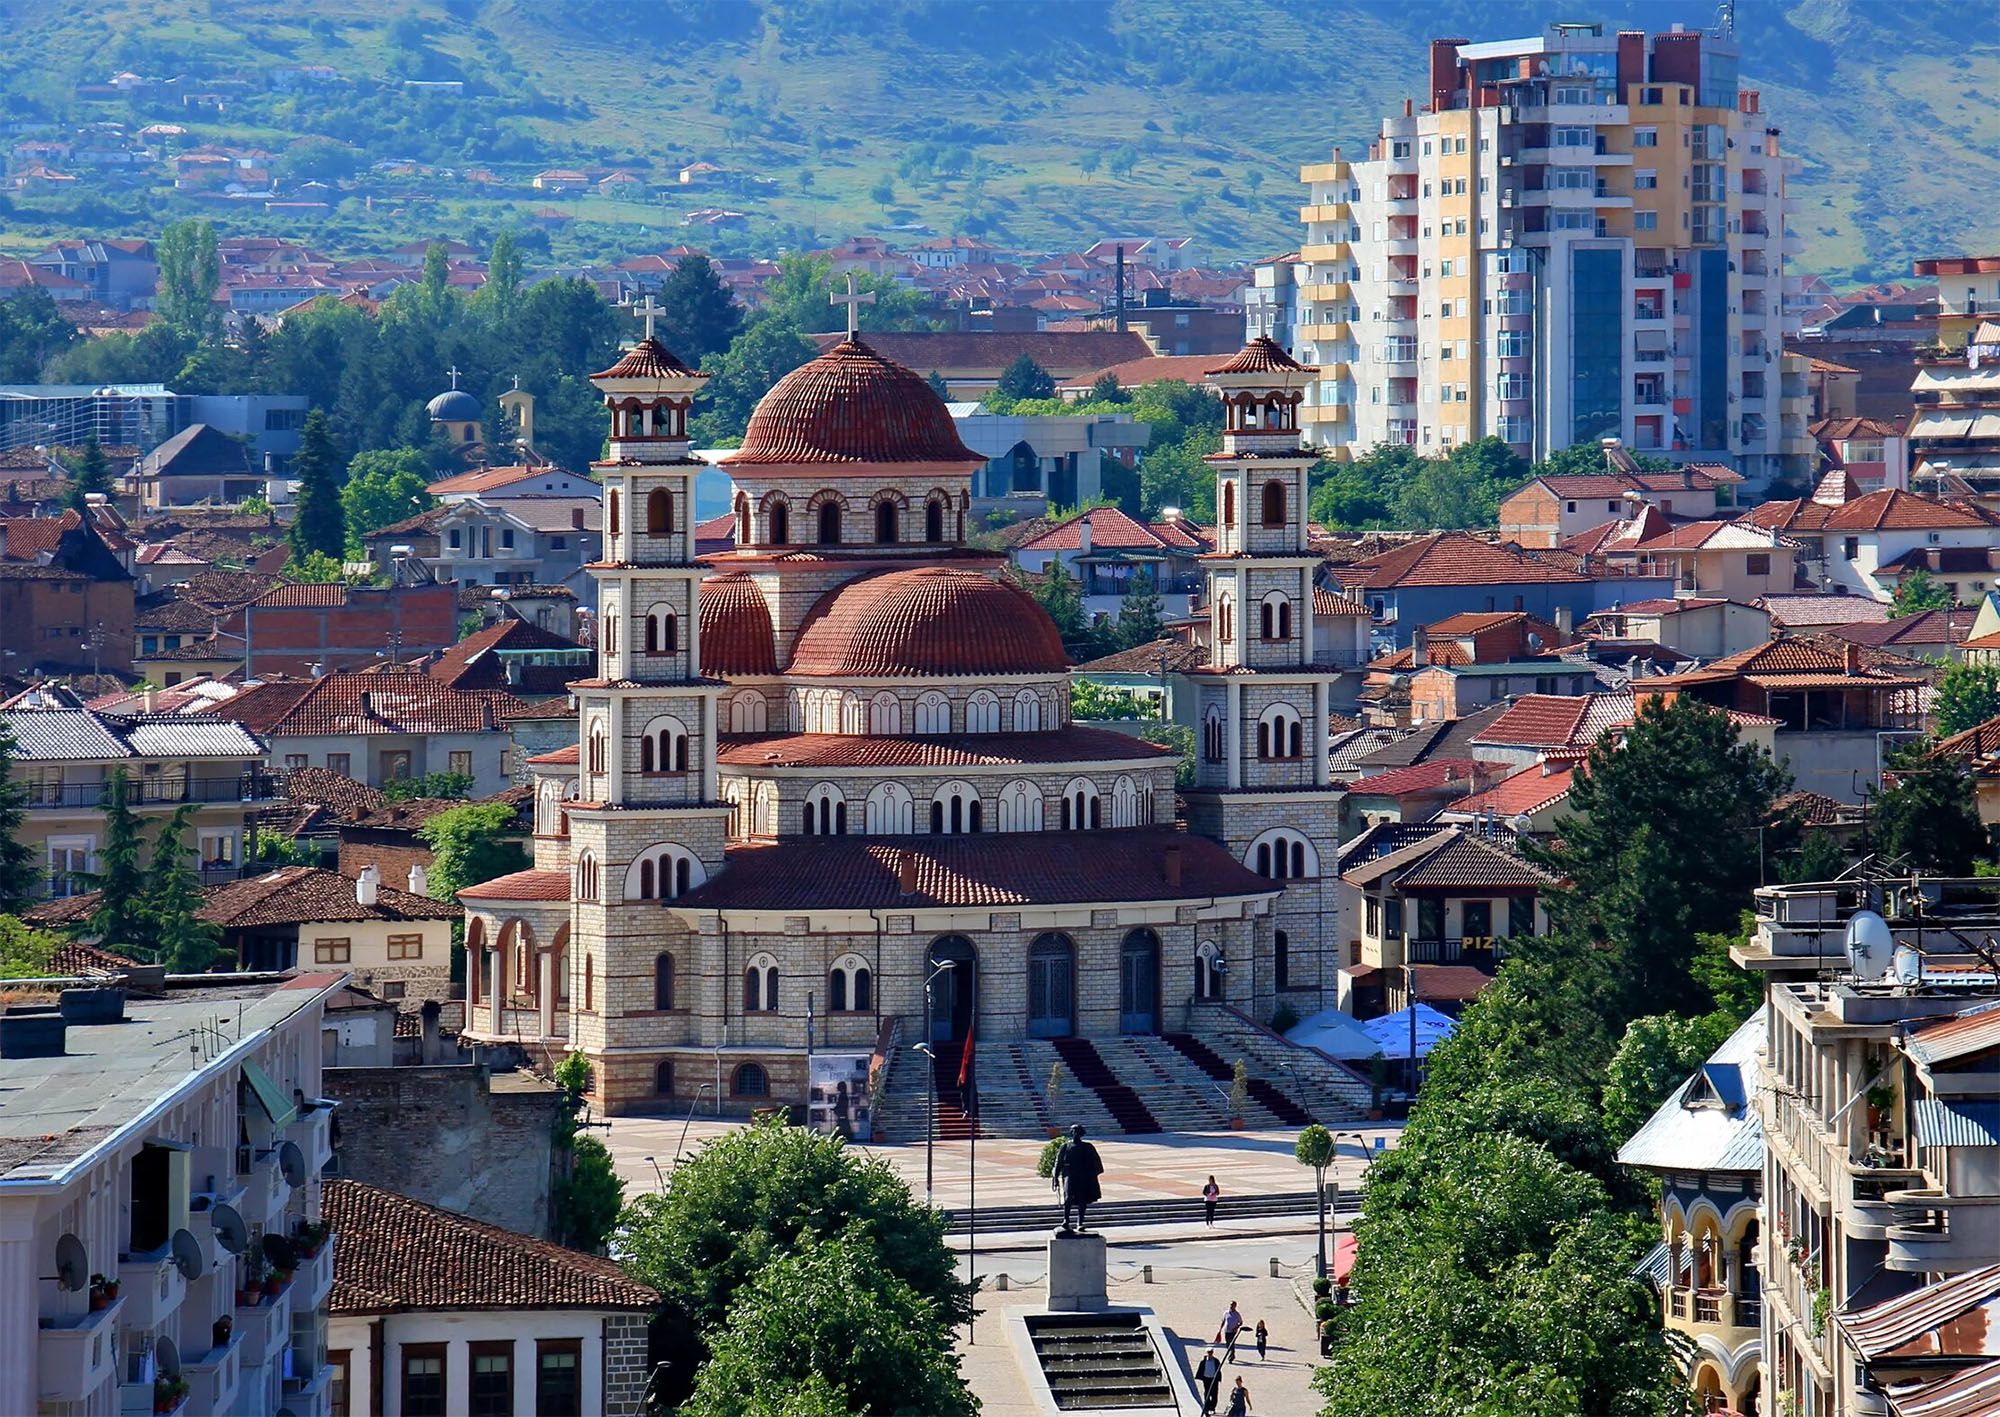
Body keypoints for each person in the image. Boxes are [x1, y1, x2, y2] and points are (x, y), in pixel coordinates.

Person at [1050, 1123, 1104, 1232]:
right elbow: (1058, 1162)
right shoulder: (1065, 1146)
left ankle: (1080, 1223)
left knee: (1082, 1200)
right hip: (1069, 1175)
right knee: (1068, 1198)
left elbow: (1097, 1163)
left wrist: (1091, 1175)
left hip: (1083, 1176)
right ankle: (1066, 1220)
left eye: (1078, 1131)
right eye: (1074, 1131)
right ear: (1071, 1132)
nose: (1075, 1133)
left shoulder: (1088, 1147)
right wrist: (1055, 1177)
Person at [1194, 1348, 1223, 1414]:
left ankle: (1212, 1407)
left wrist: (1218, 1378)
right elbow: (1201, 1369)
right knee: (1207, 1393)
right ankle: (1207, 1407)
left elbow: (1219, 1370)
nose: (1210, 1354)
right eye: (1208, 1353)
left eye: (1211, 1353)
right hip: (1206, 1379)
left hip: (1214, 1379)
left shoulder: (1216, 1361)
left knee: (1214, 1394)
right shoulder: (1203, 1362)